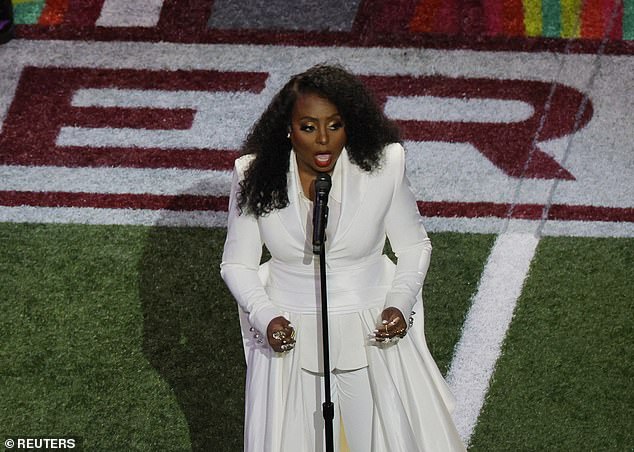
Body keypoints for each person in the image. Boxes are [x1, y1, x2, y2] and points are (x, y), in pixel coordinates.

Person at [221, 64, 465, 452]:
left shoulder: (385, 167)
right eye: (308, 127)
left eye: (334, 126)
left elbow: (414, 246)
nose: (323, 140)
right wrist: (265, 316)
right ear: (288, 128)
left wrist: (399, 305)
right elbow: (237, 263)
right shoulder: (253, 174)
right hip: (288, 339)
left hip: (371, 334)